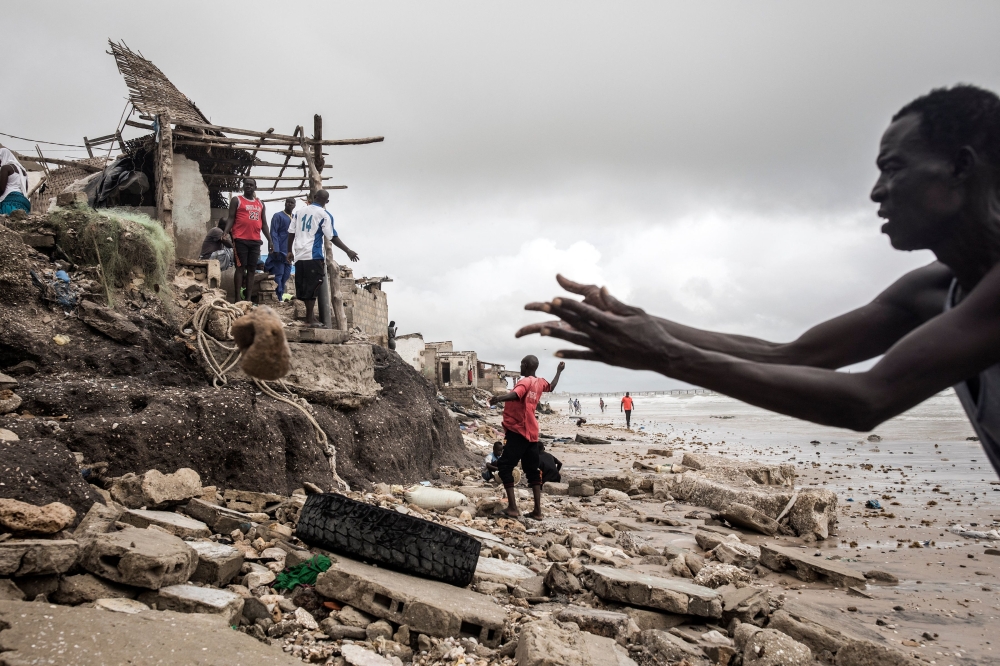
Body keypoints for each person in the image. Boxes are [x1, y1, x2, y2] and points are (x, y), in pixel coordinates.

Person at [517, 84, 1000, 479]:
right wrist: (640, 323)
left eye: (893, 169)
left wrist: (661, 354)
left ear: (960, 167)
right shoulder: (933, 290)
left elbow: (867, 399)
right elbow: (793, 355)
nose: (876, 191)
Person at [489, 356, 565, 519]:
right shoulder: (539, 382)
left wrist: (499, 398)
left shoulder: (524, 382)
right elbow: (551, 386)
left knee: (504, 466)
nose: (520, 367)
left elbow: (516, 395)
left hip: (518, 430)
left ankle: (512, 508)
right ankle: (537, 511)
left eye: (521, 365)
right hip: (531, 432)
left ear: (525, 365)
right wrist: (559, 371)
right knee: (532, 470)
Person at [286, 189, 360, 327]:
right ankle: (310, 318)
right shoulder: (324, 215)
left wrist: (289, 251)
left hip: (299, 256)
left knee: (304, 287)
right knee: (314, 286)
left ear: (314, 197)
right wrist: (348, 250)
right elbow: (332, 236)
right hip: (313, 255)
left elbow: (291, 232)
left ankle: (309, 318)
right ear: (327, 202)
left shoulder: (299, 212)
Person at [223, 178, 269, 303]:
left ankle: (248, 299)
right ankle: (238, 299)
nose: (248, 186)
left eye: (251, 185)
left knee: (252, 269)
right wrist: (226, 232)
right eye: (246, 184)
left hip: (255, 240)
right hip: (240, 239)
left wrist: (270, 240)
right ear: (243, 186)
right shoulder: (237, 200)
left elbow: (264, 223)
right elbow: (231, 218)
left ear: (255, 187)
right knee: (240, 268)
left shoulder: (260, 204)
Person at [264, 197, 296, 302]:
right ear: (285, 203)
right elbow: (274, 232)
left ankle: (281, 295)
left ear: (294, 205)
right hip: (279, 251)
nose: (290, 204)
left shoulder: (295, 218)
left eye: (292, 203)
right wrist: (275, 248)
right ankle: (278, 297)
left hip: (289, 252)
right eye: (288, 202)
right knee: (279, 274)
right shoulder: (278, 216)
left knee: (286, 275)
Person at [0, 149, 31, 215]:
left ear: (3, 157)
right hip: (23, 202)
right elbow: (25, 189)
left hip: (9, 202)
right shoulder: (23, 171)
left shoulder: (5, 168)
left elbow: (1, 189)